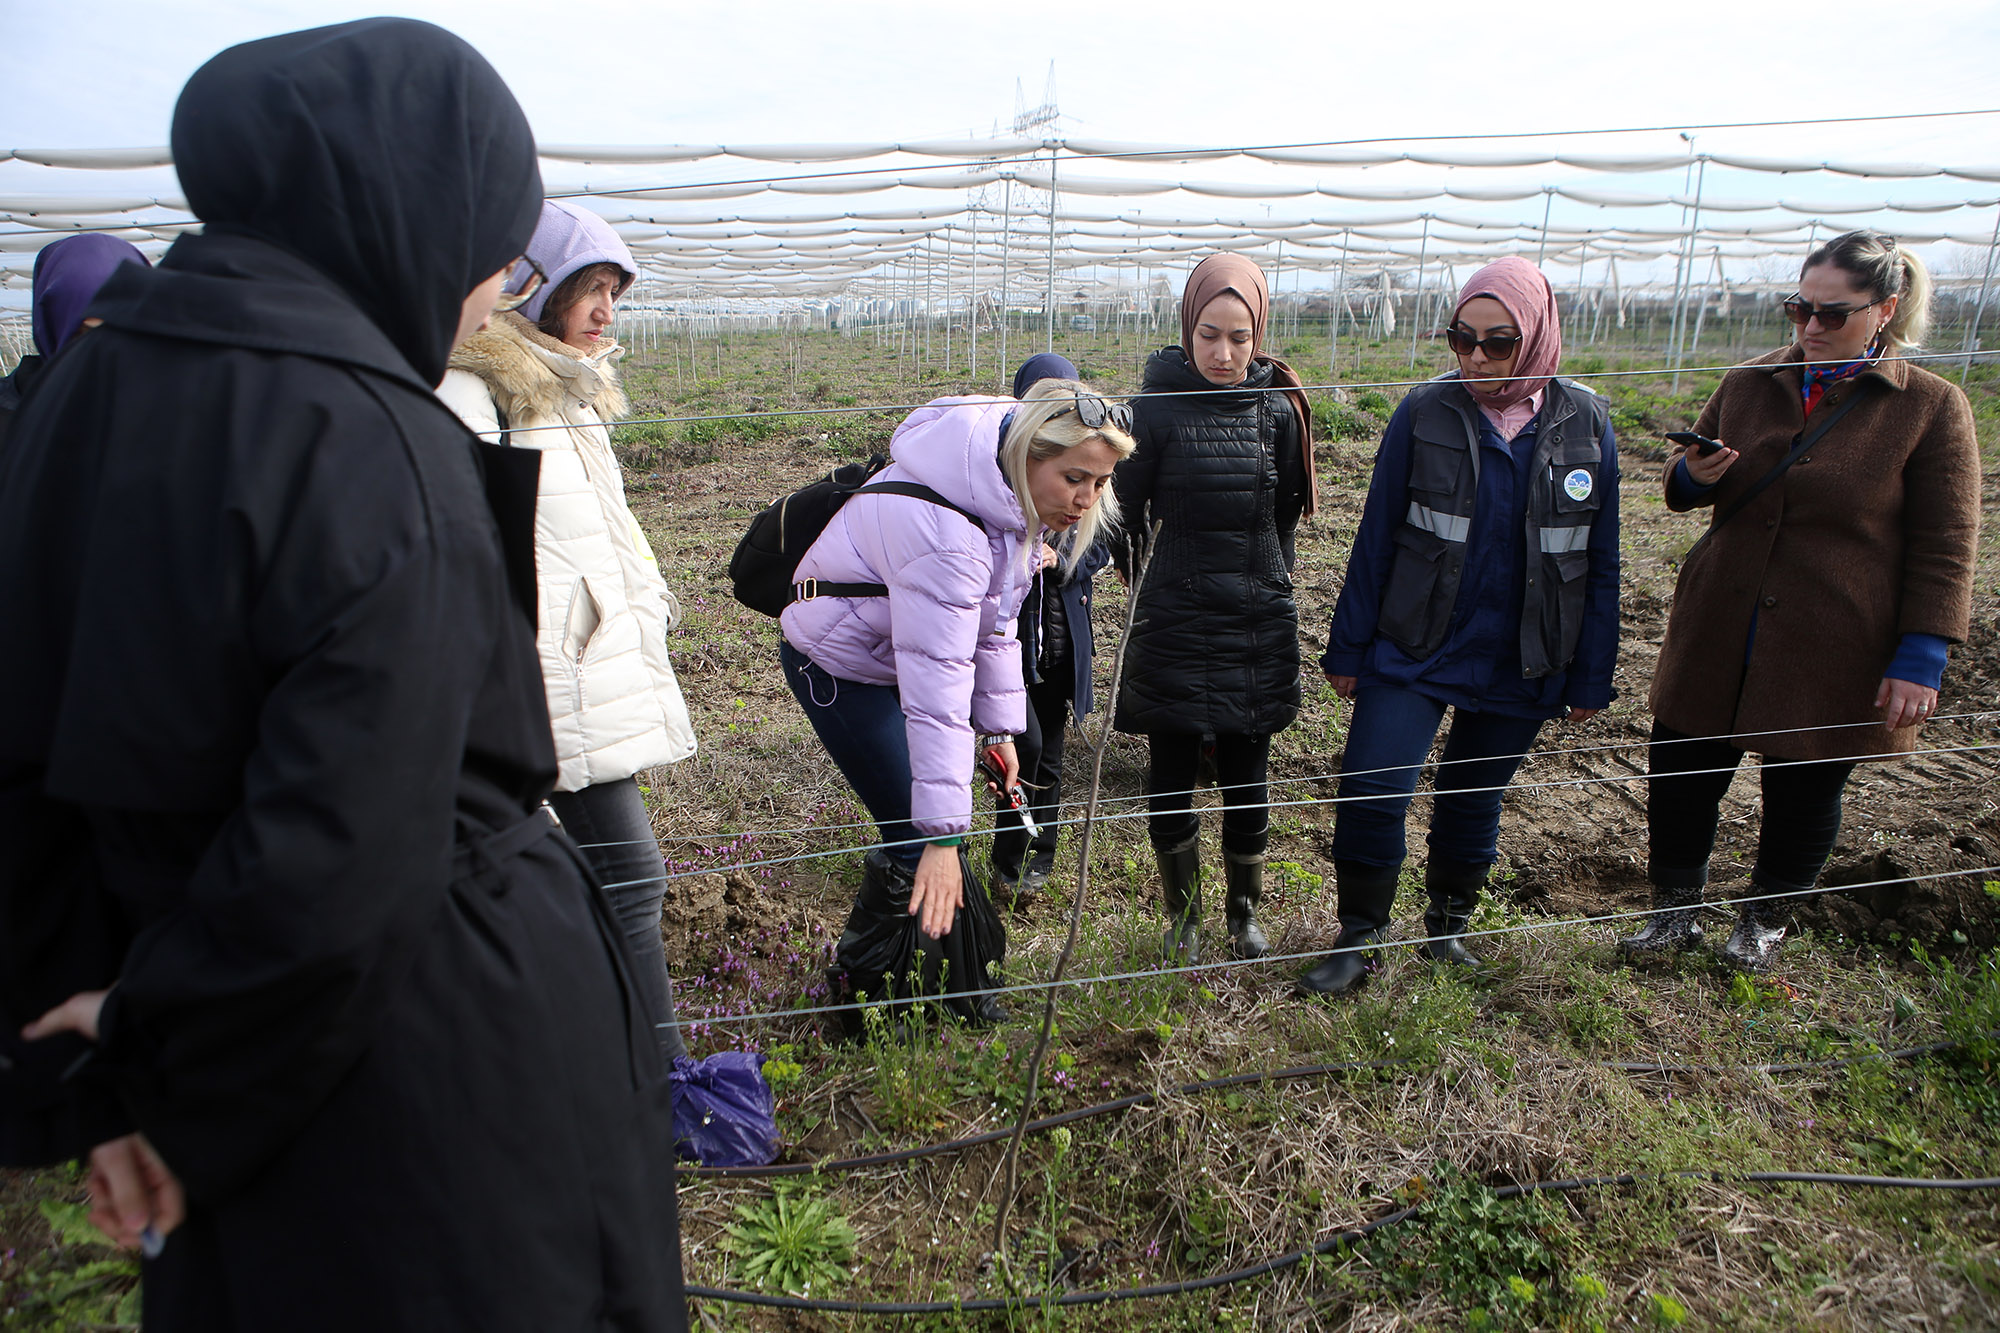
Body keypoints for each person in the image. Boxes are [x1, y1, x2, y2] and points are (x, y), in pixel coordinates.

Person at [0, 20, 688, 1330]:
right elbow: (347, 846)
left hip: (233, 1043)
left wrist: (109, 1075)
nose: (490, 292)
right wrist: (166, 1057)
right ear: (404, 206)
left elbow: (24, 775)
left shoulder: (77, 398)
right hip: (433, 1060)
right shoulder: (368, 434)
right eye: (485, 249)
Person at [1627, 230, 1979, 973]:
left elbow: (1948, 540)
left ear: (1884, 310)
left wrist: (1923, 652)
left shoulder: (1929, 408)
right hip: (1723, 617)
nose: (1811, 328)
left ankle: (1763, 922)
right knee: (1682, 768)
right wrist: (1695, 474)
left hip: (1834, 633)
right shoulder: (1752, 380)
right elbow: (1683, 485)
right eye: (1800, 309)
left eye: (1833, 314)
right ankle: (1673, 915)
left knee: (1806, 782)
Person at [1298, 257, 1620, 996]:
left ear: (1535, 336)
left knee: (1475, 796)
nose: (1475, 357)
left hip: (1522, 652)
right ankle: (1361, 937)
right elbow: (1376, 536)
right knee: (1374, 786)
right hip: (1417, 640)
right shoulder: (1426, 411)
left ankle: (1448, 930)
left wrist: (1590, 672)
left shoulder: (1586, 423)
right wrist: (1350, 648)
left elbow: (1601, 560)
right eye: (1461, 339)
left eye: (1498, 342)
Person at [781, 379, 1133, 1024]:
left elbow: (994, 625)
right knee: (918, 831)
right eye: (1074, 478)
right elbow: (937, 688)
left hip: (898, 652)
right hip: (841, 664)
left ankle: (921, 986)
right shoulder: (948, 532)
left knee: (915, 825)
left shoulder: (1006, 498)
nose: (1087, 501)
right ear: (1030, 455)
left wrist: (999, 732)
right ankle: (870, 997)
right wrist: (946, 836)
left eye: (1102, 482)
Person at [439, 199, 698, 1064]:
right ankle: (648, 1083)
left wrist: (646, 606)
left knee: (590, 879)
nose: (605, 312)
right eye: (590, 288)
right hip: (545, 679)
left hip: (578, 668)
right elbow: (462, 549)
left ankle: (593, 1064)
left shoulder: (566, 391)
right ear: (534, 286)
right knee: (630, 875)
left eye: (613, 293)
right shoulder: (480, 394)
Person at [1114, 253, 1315, 964]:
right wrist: (1142, 578)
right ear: (1186, 331)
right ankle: (1184, 918)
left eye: (1239, 336)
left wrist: (1268, 576)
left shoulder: (1276, 413)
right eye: (1208, 335)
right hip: (1174, 615)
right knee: (1169, 771)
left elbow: (1285, 509)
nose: (1224, 353)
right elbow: (1121, 512)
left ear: (1259, 332)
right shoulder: (1154, 409)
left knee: (1247, 774)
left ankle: (1243, 914)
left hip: (1254, 620)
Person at [988, 352, 1114, 907]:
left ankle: (1042, 855)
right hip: (1014, 652)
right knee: (1024, 748)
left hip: (1063, 646)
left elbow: (1104, 548)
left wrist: (1062, 562)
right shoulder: (1006, 478)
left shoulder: (1086, 479)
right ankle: (1009, 856)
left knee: (1053, 753)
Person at [0, 233, 148, 452]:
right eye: (81, 334)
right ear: (51, 326)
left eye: (122, 332)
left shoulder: (173, 412)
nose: (102, 351)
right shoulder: (12, 413)